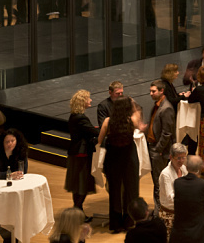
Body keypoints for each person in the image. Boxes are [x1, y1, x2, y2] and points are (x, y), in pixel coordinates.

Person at [98, 97, 140, 233]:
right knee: (130, 188)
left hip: (113, 157)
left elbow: (99, 141)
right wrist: (133, 105)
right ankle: (129, 221)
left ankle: (116, 224)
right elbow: (140, 124)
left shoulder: (107, 121)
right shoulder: (132, 120)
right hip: (129, 157)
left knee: (114, 190)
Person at [64, 90, 99, 214]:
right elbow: (94, 132)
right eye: (88, 99)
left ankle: (78, 211)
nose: (90, 101)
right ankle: (77, 211)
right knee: (82, 185)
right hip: (81, 154)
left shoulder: (75, 116)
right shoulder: (80, 118)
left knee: (78, 186)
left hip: (77, 153)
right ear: (83, 101)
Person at [170, 155, 204, 243]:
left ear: (187, 167)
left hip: (179, 234)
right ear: (202, 167)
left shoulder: (177, 183)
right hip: (197, 234)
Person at [145, 80, 176, 207]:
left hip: (159, 150)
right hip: (154, 147)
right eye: (150, 91)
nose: (151, 94)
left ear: (161, 91)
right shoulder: (157, 105)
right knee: (157, 182)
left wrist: (158, 149)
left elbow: (167, 133)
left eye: (153, 91)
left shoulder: (166, 108)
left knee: (160, 183)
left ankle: (160, 211)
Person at [157, 143, 187, 235]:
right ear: (171, 157)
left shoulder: (183, 168)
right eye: (178, 158)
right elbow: (170, 197)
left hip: (181, 211)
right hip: (169, 215)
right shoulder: (166, 174)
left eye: (183, 157)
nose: (181, 161)